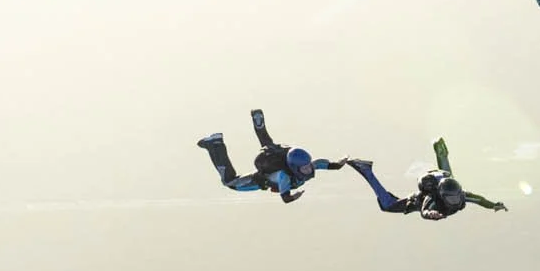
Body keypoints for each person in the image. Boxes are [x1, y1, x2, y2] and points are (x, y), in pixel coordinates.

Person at [197, 109, 350, 202]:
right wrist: (295, 196)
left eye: (308, 166)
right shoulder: (284, 177)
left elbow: (322, 164)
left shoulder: (308, 165)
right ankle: (215, 145)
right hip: (259, 180)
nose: (308, 169)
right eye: (304, 168)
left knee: (267, 144)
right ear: (294, 167)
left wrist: (341, 163)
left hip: (273, 155)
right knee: (229, 182)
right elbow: (286, 198)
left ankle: (258, 117)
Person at [351, 139, 506, 219]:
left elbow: (480, 200)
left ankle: (441, 153)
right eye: (451, 200)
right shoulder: (431, 199)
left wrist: (493, 205)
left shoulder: (462, 195)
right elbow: (424, 210)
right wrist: (431, 214)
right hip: (427, 188)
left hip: (441, 178)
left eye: (456, 198)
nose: (455, 202)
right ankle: (365, 170)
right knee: (388, 205)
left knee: (448, 176)